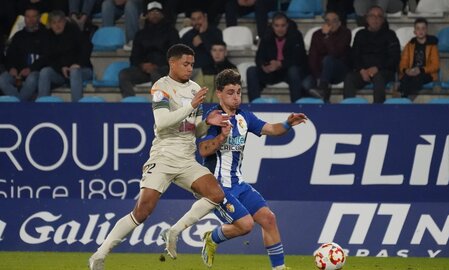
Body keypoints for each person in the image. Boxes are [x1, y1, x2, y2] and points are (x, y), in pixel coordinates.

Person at [88, 44, 230, 270]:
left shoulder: (195, 88)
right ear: (172, 63)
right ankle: (99, 255)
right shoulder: (161, 87)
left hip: (186, 159)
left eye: (192, 64)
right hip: (164, 155)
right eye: (185, 64)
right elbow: (162, 122)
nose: (189, 68)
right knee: (142, 211)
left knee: (216, 194)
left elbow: (194, 129)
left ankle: (173, 231)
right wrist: (192, 106)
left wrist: (208, 123)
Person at [196, 69, 307, 269]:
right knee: (245, 225)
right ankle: (212, 237)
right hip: (217, 187)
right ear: (219, 93)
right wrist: (221, 136)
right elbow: (203, 151)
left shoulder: (244, 118)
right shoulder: (212, 118)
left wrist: (288, 123)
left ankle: (279, 268)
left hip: (238, 183)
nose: (236, 97)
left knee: (268, 218)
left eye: (239, 92)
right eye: (230, 92)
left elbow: (272, 129)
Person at [118, 1, 179, 97]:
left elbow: (175, 56)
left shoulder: (172, 32)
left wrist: (157, 66)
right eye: (151, 13)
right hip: (144, 70)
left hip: (164, 69)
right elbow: (134, 57)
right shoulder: (140, 34)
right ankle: (130, 103)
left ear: (162, 15)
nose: (154, 15)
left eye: (157, 12)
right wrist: (142, 65)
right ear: (146, 15)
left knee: (156, 74)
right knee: (124, 74)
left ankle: (160, 106)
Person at [343, 5, 400, 103]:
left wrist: (377, 68)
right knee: (349, 78)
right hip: (363, 71)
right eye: (372, 16)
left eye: (379, 16)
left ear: (383, 20)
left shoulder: (390, 35)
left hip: (383, 71)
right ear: (367, 19)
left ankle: (378, 110)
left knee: (378, 78)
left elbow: (394, 57)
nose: (375, 19)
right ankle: (348, 109)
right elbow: (354, 56)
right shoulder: (360, 34)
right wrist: (361, 70)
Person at [246, 12, 307, 103]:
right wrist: (263, 65)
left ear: (287, 25)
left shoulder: (295, 36)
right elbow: (259, 57)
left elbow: (299, 58)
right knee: (251, 71)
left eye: (283, 25)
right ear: (272, 26)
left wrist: (280, 64)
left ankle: (297, 106)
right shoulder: (267, 36)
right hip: (271, 72)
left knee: (294, 71)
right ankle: (254, 105)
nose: (280, 29)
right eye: (277, 26)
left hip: (286, 71)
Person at [34, 10, 93, 102]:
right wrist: (61, 67)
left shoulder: (73, 30)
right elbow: (48, 57)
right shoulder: (48, 36)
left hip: (82, 70)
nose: (57, 25)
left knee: (74, 71)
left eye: (60, 22)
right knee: (45, 72)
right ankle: (43, 106)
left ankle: (77, 108)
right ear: (50, 25)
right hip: (61, 72)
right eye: (54, 23)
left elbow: (87, 46)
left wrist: (78, 64)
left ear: (65, 22)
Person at [0, 6, 48, 101]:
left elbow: (47, 57)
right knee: (2, 79)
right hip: (18, 73)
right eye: (27, 16)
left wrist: (31, 69)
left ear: (39, 18)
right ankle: (20, 104)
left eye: (33, 16)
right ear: (24, 18)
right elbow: (10, 56)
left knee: (32, 79)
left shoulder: (46, 35)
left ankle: (19, 106)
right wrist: (11, 68)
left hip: (36, 72)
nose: (30, 20)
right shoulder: (18, 36)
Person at [306, 10, 351, 103]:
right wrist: (317, 76)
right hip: (321, 73)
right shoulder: (317, 34)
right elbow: (313, 57)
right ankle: (322, 103)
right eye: (327, 21)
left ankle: (322, 90)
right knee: (306, 83)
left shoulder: (345, 33)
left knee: (328, 59)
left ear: (339, 23)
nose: (330, 24)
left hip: (340, 71)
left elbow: (336, 53)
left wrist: (327, 36)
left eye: (334, 21)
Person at [398, 18, 439, 98]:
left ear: (426, 30)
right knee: (405, 78)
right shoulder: (410, 45)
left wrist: (420, 70)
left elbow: (435, 65)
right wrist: (407, 70)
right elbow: (403, 62)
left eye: (423, 28)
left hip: (426, 73)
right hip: (412, 72)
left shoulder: (432, 45)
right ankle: (402, 99)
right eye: (418, 28)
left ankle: (406, 100)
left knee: (417, 79)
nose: (420, 31)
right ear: (414, 32)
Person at [180, 8, 223, 76]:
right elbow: (183, 55)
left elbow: (216, 53)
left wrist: (202, 35)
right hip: (192, 70)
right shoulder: (187, 35)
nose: (196, 22)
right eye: (193, 19)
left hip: (212, 70)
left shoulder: (216, 32)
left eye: (199, 18)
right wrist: (193, 45)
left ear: (205, 18)